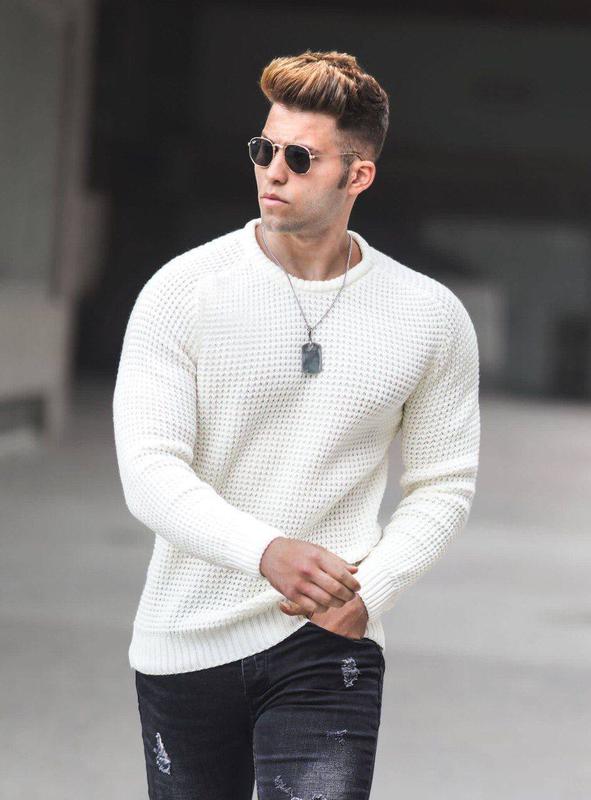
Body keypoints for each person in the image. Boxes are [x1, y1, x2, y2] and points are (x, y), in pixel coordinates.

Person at [113, 49, 480, 800]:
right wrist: (265, 551)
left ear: (358, 175)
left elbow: (444, 483)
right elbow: (149, 470)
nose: (273, 171)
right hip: (187, 637)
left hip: (327, 641)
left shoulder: (429, 316)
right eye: (264, 149)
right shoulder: (182, 292)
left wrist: (370, 590)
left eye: (300, 157)